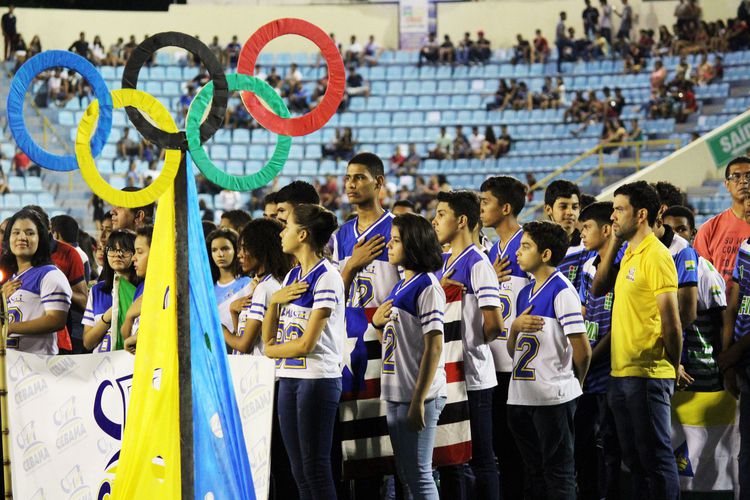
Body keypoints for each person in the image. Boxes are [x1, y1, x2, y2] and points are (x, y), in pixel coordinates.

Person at [598, 181, 682, 499]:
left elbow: (672, 322)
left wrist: (671, 367)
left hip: (647, 374)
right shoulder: (630, 252)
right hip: (622, 373)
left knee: (656, 461)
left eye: (620, 209)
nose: (614, 216)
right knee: (634, 461)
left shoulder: (657, 256)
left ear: (641, 213)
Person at [331, 152, 402, 499]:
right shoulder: (340, 235)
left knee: (384, 449)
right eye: (347, 178)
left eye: (359, 177)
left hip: (387, 348)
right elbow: (331, 297)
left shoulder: (396, 230)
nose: (351, 184)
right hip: (349, 347)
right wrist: (350, 266)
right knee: (353, 442)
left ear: (379, 182)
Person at [262, 203, 342, 500]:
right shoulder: (292, 277)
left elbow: (306, 344)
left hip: (317, 379)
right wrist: (274, 303)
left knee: (316, 469)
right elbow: (269, 335)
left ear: (304, 234)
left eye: (288, 226)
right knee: (299, 472)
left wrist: (271, 351)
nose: (282, 232)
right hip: (289, 377)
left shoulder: (327, 277)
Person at [507, 220, 591, 500]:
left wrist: (572, 385)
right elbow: (513, 352)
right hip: (521, 396)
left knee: (558, 473)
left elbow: (582, 348)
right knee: (534, 473)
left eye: (526, 246)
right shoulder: (523, 293)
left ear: (545, 255)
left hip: (551, 399)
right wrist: (515, 328)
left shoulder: (562, 291)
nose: (518, 252)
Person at [433, 190, 503, 500]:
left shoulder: (478, 264)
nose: (435, 221)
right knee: (451, 458)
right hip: (448, 377)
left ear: (461, 221)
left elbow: (495, 324)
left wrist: (472, 343)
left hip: (473, 378)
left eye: (441, 214)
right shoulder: (442, 260)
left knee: (481, 457)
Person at [371, 213, 446, 499]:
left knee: (420, 475)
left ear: (414, 244)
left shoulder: (427, 286)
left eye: (396, 240)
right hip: (397, 392)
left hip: (419, 396)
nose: (389, 246)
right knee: (407, 474)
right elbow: (396, 344)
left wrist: (418, 401)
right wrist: (378, 325)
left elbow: (435, 346)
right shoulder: (400, 285)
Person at [479, 176, 529, 500]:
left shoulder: (528, 243)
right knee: (501, 447)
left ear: (506, 207)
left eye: (486, 202)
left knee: (521, 450)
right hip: (493, 363)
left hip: (520, 363)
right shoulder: (491, 250)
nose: (480, 208)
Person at [576, 202, 621, 500]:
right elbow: (582, 311)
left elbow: (620, 326)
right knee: (583, 442)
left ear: (606, 229)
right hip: (587, 371)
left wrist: (593, 357)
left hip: (610, 371)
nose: (582, 234)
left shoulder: (623, 266)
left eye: (587, 228)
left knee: (612, 445)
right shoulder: (587, 266)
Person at [0, 209, 72, 355]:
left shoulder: (50, 274)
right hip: (9, 366)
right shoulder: (10, 278)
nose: (21, 237)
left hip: (38, 368)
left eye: (29, 233)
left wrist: (11, 327)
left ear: (41, 238)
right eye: (16, 232)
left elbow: (56, 320)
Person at [224, 219, 292, 355]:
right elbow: (245, 336)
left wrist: (219, 329)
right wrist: (233, 312)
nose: (240, 255)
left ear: (262, 249)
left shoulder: (265, 288)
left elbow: (245, 345)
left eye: (245, 248)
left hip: (258, 372)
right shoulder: (264, 285)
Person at [719, 197, 750, 498]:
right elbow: (735, 301)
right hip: (742, 360)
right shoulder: (746, 247)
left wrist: (734, 352)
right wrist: (729, 357)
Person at [694, 157, 750, 290]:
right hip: (720, 309)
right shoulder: (708, 229)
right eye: (736, 176)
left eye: (748, 176)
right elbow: (701, 277)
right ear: (726, 185)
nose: (744, 181)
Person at [82, 230, 138, 352]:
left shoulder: (142, 290)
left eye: (124, 250)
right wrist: (109, 316)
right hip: (102, 367)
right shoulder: (97, 291)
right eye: (112, 250)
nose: (118, 255)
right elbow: (88, 342)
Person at [544, 180, 592, 292]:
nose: (570, 212)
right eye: (563, 207)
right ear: (548, 209)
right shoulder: (536, 247)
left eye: (574, 207)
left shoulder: (588, 246)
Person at [206, 227, 254, 334]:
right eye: (214, 250)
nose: (220, 254)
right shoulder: (207, 287)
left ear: (236, 250)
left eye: (225, 249)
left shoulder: (247, 284)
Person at [120, 225, 152, 354]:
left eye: (139, 252)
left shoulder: (170, 290)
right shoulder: (141, 288)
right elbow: (127, 338)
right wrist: (129, 316)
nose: (133, 258)